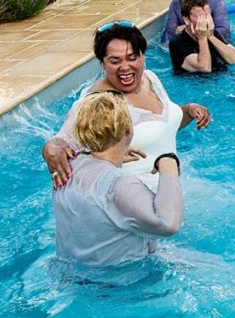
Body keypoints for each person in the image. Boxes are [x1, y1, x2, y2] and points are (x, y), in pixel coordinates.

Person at [43, 22, 211, 191]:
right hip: (137, 201)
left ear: (143, 56)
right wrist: (52, 149)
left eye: (132, 57)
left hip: (171, 187)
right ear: (102, 63)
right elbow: (62, 141)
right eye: (115, 61)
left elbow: (162, 127)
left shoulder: (149, 78)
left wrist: (188, 111)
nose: (125, 67)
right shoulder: (99, 102)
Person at [52, 91, 183, 267]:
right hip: (122, 282)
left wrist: (117, 155)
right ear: (128, 130)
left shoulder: (67, 166)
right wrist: (168, 163)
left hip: (70, 274)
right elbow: (168, 224)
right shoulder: (118, 184)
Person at [169, 0, 235, 74]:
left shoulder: (212, 33)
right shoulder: (177, 43)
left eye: (207, 16)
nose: (206, 21)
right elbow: (205, 68)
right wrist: (202, 38)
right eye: (201, 18)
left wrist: (211, 37)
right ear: (186, 19)